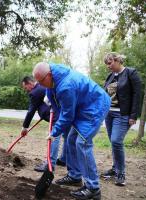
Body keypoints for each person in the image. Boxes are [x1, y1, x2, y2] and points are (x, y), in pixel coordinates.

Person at [33, 62, 110, 200]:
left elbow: (68, 115)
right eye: (38, 82)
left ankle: (93, 188)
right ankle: (75, 176)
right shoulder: (52, 79)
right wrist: (50, 98)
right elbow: (57, 105)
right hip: (84, 106)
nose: (40, 85)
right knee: (71, 140)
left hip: (95, 106)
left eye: (41, 81)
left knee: (82, 143)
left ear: (49, 75)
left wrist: (54, 132)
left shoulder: (66, 86)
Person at [102, 52, 141, 186]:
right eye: (106, 64)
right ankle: (115, 168)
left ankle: (121, 173)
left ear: (118, 60)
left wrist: (133, 115)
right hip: (109, 114)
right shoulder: (110, 76)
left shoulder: (131, 73)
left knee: (116, 141)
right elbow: (105, 95)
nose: (108, 66)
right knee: (113, 142)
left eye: (110, 62)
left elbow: (137, 94)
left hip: (122, 114)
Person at [21, 76, 67, 172]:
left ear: (30, 83)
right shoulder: (43, 87)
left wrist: (25, 127)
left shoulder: (35, 91)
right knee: (66, 137)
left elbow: (31, 111)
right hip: (63, 115)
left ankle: (50, 164)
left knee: (53, 138)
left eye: (26, 88)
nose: (27, 90)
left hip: (56, 117)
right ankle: (64, 159)